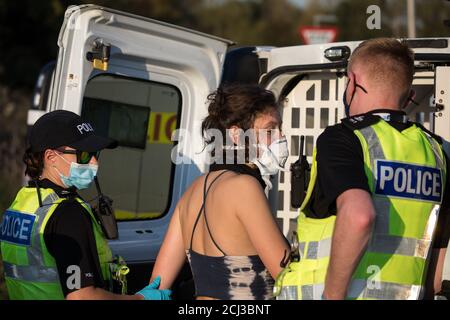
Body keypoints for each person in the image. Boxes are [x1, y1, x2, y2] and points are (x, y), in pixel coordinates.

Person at [276, 38, 450, 300]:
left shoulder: (344, 137)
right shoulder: (438, 152)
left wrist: (332, 296)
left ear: (353, 81)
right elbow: (434, 274)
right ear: (409, 94)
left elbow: (360, 216)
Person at [0, 110, 170, 300]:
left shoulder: (22, 202)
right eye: (83, 155)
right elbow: (82, 297)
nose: (94, 162)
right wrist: (140, 299)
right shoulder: (68, 213)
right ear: (51, 157)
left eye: (95, 153)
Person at [149, 84, 290, 300]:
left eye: (280, 129)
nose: (281, 137)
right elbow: (286, 274)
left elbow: (156, 288)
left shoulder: (194, 189)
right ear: (236, 134)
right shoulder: (245, 187)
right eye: (270, 130)